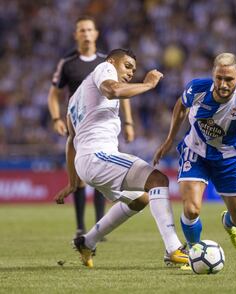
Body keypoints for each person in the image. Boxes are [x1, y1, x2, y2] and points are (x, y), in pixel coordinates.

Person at [54, 48, 188, 268]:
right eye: (127, 66)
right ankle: (174, 249)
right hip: (99, 155)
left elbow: (71, 141)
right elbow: (113, 90)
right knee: (158, 181)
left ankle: (87, 241)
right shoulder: (104, 69)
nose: (130, 73)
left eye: (133, 70)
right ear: (111, 62)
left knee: (140, 199)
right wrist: (147, 85)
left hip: (89, 160)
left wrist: (72, 182)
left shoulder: (75, 99)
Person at [153, 53, 236, 252]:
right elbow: (181, 105)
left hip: (229, 158)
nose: (223, 84)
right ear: (213, 74)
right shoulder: (197, 88)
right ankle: (193, 251)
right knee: (191, 209)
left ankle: (229, 222)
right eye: (219, 78)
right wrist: (170, 139)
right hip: (195, 151)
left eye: (229, 79)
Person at [48, 16, 135, 238]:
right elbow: (54, 94)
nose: (86, 34)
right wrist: (57, 118)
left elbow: (120, 92)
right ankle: (80, 225)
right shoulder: (67, 63)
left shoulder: (107, 62)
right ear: (75, 35)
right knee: (79, 169)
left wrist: (128, 122)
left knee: (99, 170)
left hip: (101, 121)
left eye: (89, 30)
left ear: (96, 34)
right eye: (81, 30)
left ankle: (98, 223)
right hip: (77, 120)